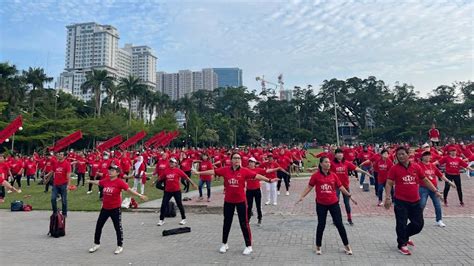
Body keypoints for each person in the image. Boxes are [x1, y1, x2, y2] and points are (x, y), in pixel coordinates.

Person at [193, 152, 275, 255]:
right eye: (235, 158)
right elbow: (212, 172)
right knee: (227, 222)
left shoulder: (244, 171)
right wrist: (199, 173)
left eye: (239, 158)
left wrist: (268, 180)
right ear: (231, 160)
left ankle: (248, 246)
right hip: (228, 201)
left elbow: (256, 176)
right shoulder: (225, 170)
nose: (237, 160)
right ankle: (224, 244)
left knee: (244, 223)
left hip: (241, 201)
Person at [384, 147, 442, 255]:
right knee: (401, 223)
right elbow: (389, 183)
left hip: (415, 201)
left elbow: (425, 179)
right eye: (398, 155)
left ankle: (405, 236)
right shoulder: (394, 168)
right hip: (401, 201)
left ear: (408, 155)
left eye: (402, 154)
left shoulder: (416, 167)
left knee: (418, 224)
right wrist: (388, 197)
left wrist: (435, 191)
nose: (400, 156)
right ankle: (402, 244)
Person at [296, 157, 355, 255]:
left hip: (334, 203)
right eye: (326, 162)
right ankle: (318, 246)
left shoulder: (334, 175)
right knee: (321, 225)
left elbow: (340, 187)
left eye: (329, 162)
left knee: (339, 224)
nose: (328, 164)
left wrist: (349, 195)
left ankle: (347, 245)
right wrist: (302, 196)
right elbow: (309, 187)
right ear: (321, 164)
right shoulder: (315, 176)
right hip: (321, 204)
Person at [88, 165, 148, 255]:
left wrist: (140, 195)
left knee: (117, 227)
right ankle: (96, 244)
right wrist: (90, 181)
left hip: (115, 209)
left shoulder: (120, 182)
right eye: (110, 170)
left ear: (117, 173)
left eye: (112, 170)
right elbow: (99, 182)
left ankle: (120, 245)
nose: (110, 171)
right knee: (99, 225)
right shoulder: (106, 180)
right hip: (105, 208)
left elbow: (129, 190)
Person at [330, 149, 372, 225]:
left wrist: (365, 172)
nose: (340, 155)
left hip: (345, 186)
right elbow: (323, 167)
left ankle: (349, 219)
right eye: (338, 153)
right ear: (335, 155)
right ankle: (335, 219)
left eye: (341, 153)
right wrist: (313, 169)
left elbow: (356, 168)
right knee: (335, 203)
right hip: (336, 187)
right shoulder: (332, 163)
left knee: (347, 203)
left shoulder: (346, 163)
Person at [418, 151, 456, 227]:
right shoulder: (418, 166)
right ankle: (418, 219)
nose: (428, 157)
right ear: (422, 157)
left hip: (434, 188)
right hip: (423, 188)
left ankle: (439, 220)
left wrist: (449, 182)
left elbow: (441, 175)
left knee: (437, 204)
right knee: (422, 204)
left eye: (429, 156)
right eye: (426, 156)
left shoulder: (432, 166)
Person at [156, 158, 197, 226]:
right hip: (167, 191)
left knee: (179, 204)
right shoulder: (166, 171)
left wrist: (193, 184)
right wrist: (154, 182)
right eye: (170, 162)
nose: (171, 164)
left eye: (173, 162)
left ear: (176, 164)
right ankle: (161, 220)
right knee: (163, 205)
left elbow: (186, 177)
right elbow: (160, 177)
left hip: (176, 191)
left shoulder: (178, 170)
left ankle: (183, 219)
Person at [45, 152, 72, 218]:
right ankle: (55, 212)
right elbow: (52, 171)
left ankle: (64, 213)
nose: (59, 155)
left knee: (64, 200)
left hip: (63, 184)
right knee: (53, 199)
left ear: (64, 156)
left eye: (61, 155)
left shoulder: (67, 164)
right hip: (56, 184)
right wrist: (47, 176)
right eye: (59, 154)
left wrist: (68, 185)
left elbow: (68, 175)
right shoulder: (56, 163)